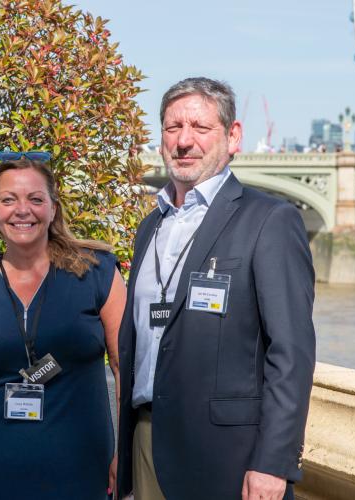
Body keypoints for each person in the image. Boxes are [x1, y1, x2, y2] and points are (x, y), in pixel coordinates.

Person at [116, 77, 316, 500]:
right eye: (173, 128)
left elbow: (291, 352)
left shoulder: (269, 221)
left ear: (233, 136)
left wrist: (273, 462)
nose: (184, 141)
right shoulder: (149, 226)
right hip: (147, 442)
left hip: (230, 457)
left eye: (200, 128)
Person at [0, 153, 126, 499]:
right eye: (8, 200)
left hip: (80, 470)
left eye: (36, 199)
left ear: (53, 208)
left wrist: (124, 452)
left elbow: (126, 368)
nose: (22, 210)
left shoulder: (97, 275)